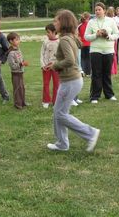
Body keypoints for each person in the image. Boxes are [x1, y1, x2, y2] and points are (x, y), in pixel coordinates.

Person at [46, 10, 100, 152]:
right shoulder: (70, 36)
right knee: (59, 112)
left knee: (60, 114)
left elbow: (70, 60)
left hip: (70, 81)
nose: (54, 23)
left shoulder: (64, 39)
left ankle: (90, 133)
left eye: (56, 21)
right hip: (72, 80)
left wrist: (55, 65)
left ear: (63, 23)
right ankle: (62, 143)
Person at [84, 2, 119, 104]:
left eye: (99, 9)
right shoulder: (91, 22)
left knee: (107, 73)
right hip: (95, 51)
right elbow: (86, 36)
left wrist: (109, 36)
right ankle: (95, 96)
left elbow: (116, 34)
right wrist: (96, 35)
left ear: (104, 10)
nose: (97, 11)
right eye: (96, 10)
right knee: (96, 74)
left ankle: (109, 94)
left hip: (108, 50)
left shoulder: (111, 21)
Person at [6, 32, 29, 109]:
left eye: (19, 39)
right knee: (17, 89)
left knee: (22, 88)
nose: (18, 41)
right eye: (16, 39)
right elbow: (13, 65)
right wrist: (21, 64)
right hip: (15, 74)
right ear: (11, 41)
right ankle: (17, 104)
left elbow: (21, 59)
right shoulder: (11, 53)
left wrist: (23, 62)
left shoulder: (18, 50)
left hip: (21, 72)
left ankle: (23, 102)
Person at [40, 24, 60, 109]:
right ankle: (46, 100)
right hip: (46, 66)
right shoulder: (45, 41)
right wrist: (43, 65)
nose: (47, 34)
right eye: (46, 32)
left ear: (54, 32)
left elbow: (61, 55)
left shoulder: (59, 42)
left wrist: (57, 64)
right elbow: (42, 54)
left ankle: (56, 101)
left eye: (48, 32)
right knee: (46, 83)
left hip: (55, 66)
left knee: (57, 84)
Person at [106, 7, 118, 75]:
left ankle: (111, 69)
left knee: (110, 53)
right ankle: (113, 70)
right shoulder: (113, 20)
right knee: (113, 54)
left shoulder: (106, 20)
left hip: (109, 38)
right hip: (113, 38)